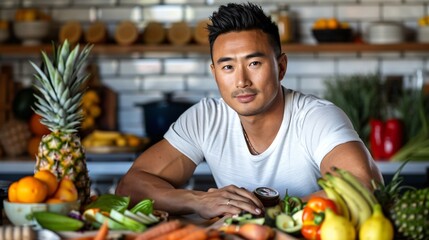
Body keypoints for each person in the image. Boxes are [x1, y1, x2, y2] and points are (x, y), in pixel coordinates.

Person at [116, 2, 383, 220]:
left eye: (254, 63)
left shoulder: (316, 117)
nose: (241, 81)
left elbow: (364, 186)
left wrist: (266, 212)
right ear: (215, 73)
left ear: (281, 67)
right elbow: (131, 186)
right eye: (228, 67)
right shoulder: (206, 119)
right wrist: (198, 200)